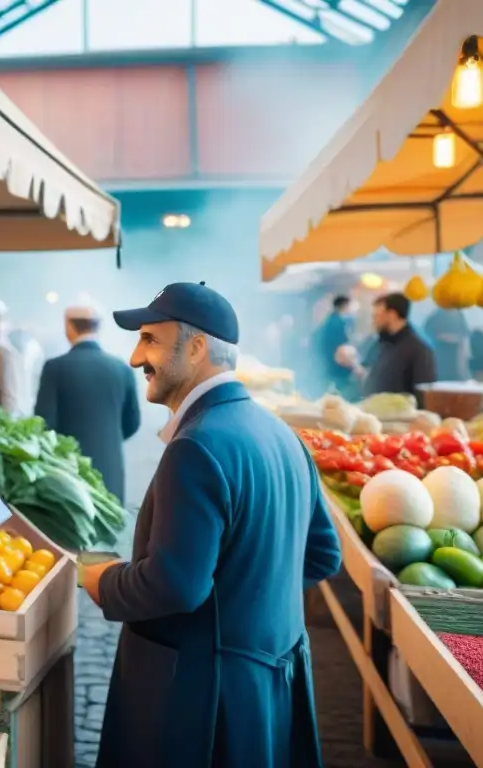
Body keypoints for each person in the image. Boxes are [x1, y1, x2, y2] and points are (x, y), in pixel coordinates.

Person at [82, 282, 341, 768]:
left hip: (202, 699)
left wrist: (103, 580)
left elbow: (175, 587)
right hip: (268, 686)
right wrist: (247, 600)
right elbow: (323, 555)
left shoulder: (195, 447)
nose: (137, 357)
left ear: (197, 347)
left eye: (150, 340)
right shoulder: (285, 437)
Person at [34, 306, 140, 501]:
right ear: (98, 328)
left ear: (69, 327)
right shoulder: (122, 368)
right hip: (111, 470)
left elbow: (44, 424)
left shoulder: (55, 368)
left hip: (68, 472)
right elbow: (133, 423)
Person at [360, 292, 436, 403]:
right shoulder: (381, 343)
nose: (374, 322)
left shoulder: (419, 350)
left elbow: (423, 396)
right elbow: (367, 373)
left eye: (376, 316)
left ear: (392, 315)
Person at [313, 295, 356, 395]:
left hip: (327, 362)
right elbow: (342, 346)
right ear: (344, 306)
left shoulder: (329, 320)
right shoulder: (339, 322)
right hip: (336, 364)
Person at [423, 307, 469, 381]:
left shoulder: (459, 315)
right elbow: (427, 330)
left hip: (454, 355)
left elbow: (463, 337)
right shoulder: (437, 315)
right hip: (441, 353)